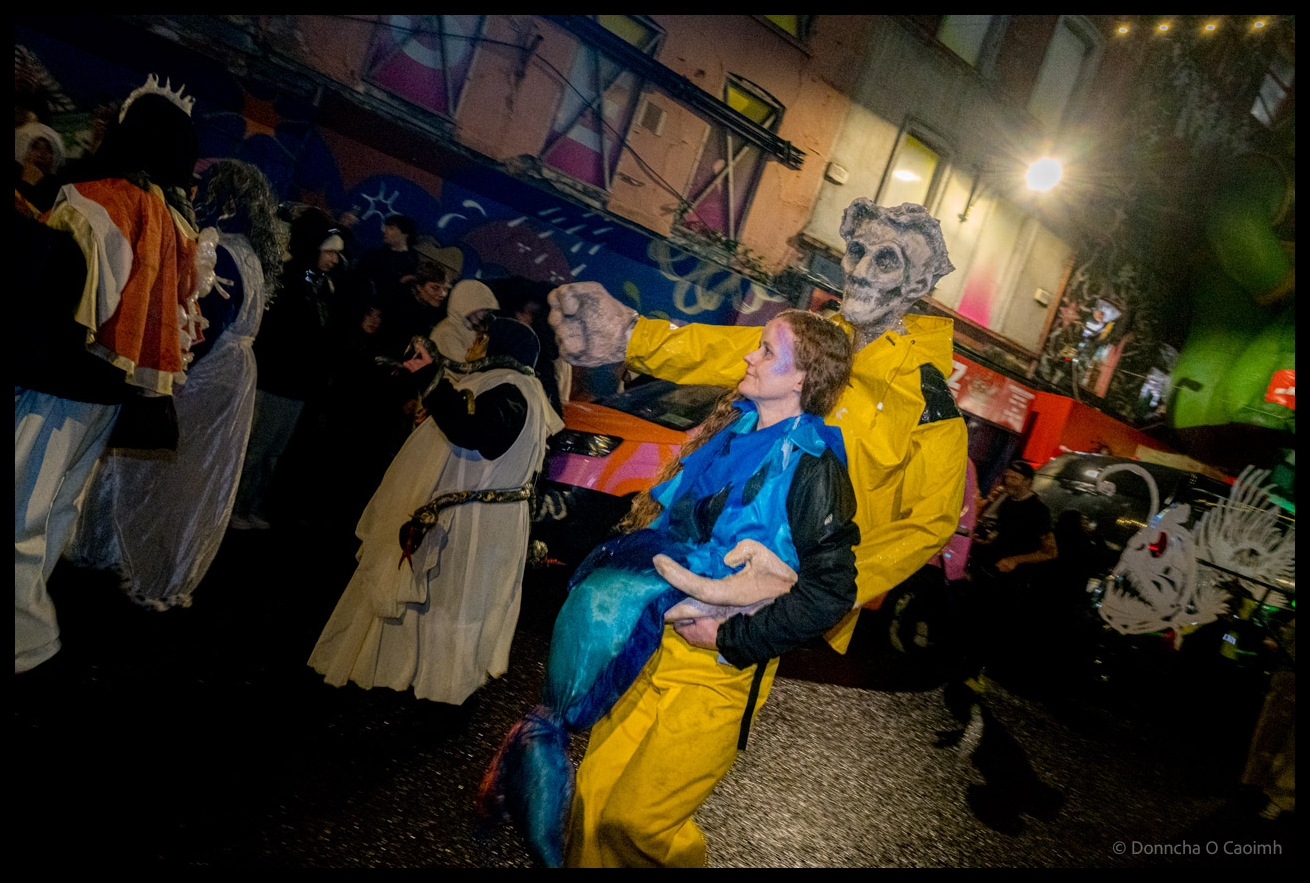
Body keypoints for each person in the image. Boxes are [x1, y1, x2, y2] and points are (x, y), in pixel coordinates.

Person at [480, 310, 857, 867]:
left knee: (636, 823)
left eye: (767, 351)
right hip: (651, 646)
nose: (750, 357)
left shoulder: (814, 466)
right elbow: (666, 526)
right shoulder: (730, 432)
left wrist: (731, 639)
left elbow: (831, 592)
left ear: (802, 377)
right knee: (591, 799)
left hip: (716, 672)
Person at [547, 199, 969, 658]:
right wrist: (630, 335)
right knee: (626, 699)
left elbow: (931, 522)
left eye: (885, 259)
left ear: (921, 282)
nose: (862, 271)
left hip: (751, 602)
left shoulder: (929, 402)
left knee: (695, 715)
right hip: (688, 554)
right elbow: (723, 348)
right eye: (857, 252)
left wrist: (805, 593)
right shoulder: (820, 340)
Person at [16, 73, 201, 673]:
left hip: (56, 381)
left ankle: (27, 639)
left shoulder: (98, 199)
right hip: (105, 393)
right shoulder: (175, 218)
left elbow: (56, 297)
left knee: (22, 510)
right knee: (56, 509)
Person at [307, 317, 564, 708]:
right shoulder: (504, 384)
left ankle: (433, 692)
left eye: (482, 340)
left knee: (450, 606)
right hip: (466, 516)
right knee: (435, 604)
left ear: (501, 348)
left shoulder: (514, 389)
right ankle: (407, 674)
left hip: (474, 522)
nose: (473, 346)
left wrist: (433, 379)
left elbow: (477, 434)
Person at [62, 159, 283, 609]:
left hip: (208, 372)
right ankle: (166, 565)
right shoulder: (252, 255)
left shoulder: (220, 250)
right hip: (235, 375)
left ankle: (129, 557)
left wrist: (173, 370)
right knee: (199, 474)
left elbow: (207, 321)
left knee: (152, 467)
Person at [230, 208, 342, 530]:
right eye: (329, 251)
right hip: (276, 377)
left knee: (273, 451)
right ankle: (236, 504)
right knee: (258, 446)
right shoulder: (290, 278)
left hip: (297, 382)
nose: (334, 259)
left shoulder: (314, 283)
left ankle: (253, 504)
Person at [430, 278, 500, 363]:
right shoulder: (446, 333)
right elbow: (464, 368)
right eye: (480, 309)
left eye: (485, 310)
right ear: (465, 305)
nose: (482, 316)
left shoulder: (470, 329)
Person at [14, 120, 66, 216]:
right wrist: (26, 182)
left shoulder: (57, 189)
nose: (41, 154)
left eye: (47, 149)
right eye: (35, 147)